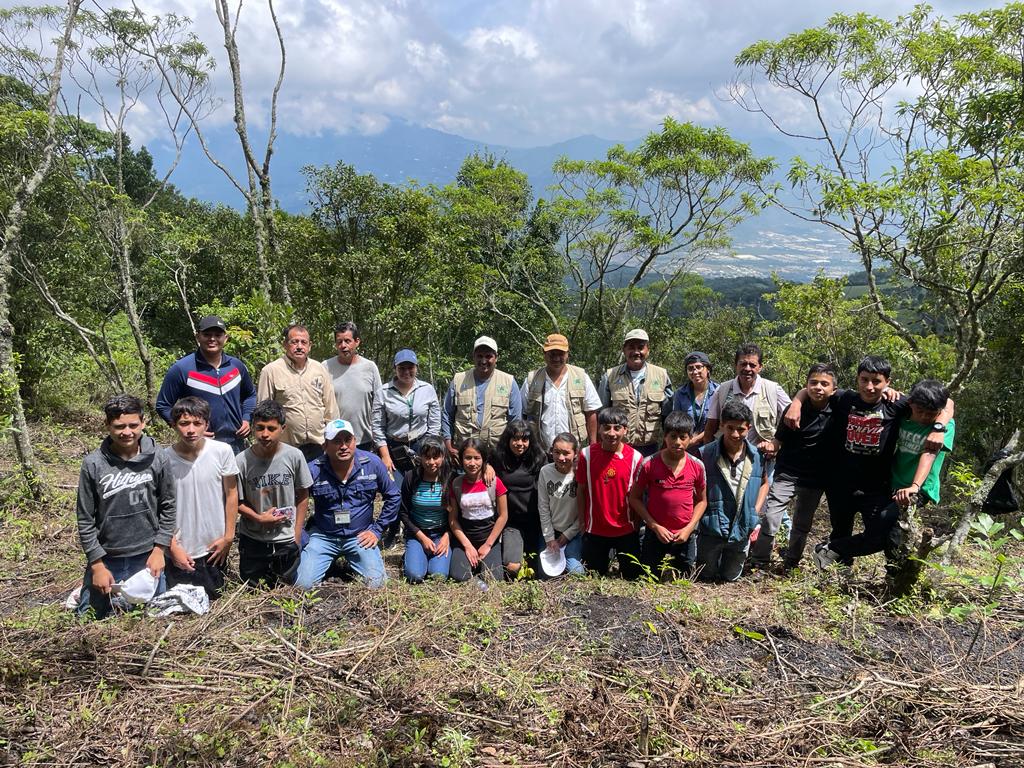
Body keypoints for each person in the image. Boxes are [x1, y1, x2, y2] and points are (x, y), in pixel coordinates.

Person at [813, 376, 955, 569]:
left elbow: (930, 453)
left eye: (931, 414)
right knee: (885, 533)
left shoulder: (943, 427)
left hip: (920, 487)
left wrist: (914, 486)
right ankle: (839, 555)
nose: (924, 418)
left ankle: (834, 550)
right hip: (891, 483)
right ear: (911, 404)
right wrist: (887, 391)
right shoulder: (903, 412)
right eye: (920, 412)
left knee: (887, 525)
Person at [76, 395, 176, 619]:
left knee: (152, 619)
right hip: (108, 556)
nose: (127, 432)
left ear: (143, 422)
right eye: (119, 426)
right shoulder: (93, 464)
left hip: (148, 556)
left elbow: (168, 507)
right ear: (107, 426)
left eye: (133, 425)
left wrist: (160, 549)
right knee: (89, 618)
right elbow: (85, 518)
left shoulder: (158, 458)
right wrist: (97, 565)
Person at [747, 363, 838, 571]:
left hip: (815, 479)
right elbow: (779, 440)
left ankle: (791, 562)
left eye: (824, 384)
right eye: (813, 382)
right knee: (770, 518)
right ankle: (760, 562)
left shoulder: (838, 408)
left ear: (833, 389)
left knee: (802, 524)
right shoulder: (794, 410)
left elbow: (865, 396)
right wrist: (771, 446)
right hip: (787, 472)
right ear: (806, 385)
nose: (818, 387)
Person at [297, 419, 401, 589]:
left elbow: (394, 496)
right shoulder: (313, 469)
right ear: (325, 445)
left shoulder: (372, 463)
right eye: (336, 441)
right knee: (303, 584)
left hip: (360, 536)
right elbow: (295, 503)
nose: (343, 446)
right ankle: (325, 561)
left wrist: (377, 530)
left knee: (378, 584)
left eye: (347, 440)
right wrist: (302, 537)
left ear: (355, 441)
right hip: (324, 535)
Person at [164, 397, 239, 599]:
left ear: (206, 424)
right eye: (184, 423)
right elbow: (158, 506)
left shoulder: (222, 451)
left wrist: (229, 536)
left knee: (215, 597)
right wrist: (171, 546)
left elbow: (232, 493)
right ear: (173, 425)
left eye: (197, 423)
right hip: (180, 548)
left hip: (214, 546)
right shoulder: (163, 460)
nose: (191, 430)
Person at [235, 400, 312, 587]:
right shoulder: (242, 461)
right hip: (253, 537)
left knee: (287, 586)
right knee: (253, 589)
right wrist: (258, 518)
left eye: (271, 428)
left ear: (282, 428)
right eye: (260, 428)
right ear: (252, 427)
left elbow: (303, 496)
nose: (265, 434)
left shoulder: (294, 456)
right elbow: (235, 501)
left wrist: (297, 532)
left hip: (285, 537)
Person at [156, 315, 257, 454]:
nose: (212, 339)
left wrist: (247, 418)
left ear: (226, 338)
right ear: (198, 337)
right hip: (200, 447)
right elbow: (163, 405)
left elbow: (250, 395)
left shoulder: (236, 366)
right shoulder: (182, 368)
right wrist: (189, 430)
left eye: (218, 335)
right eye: (207, 334)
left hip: (237, 445)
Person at [629, 411, 708, 580]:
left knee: (685, 579)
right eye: (673, 436)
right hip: (655, 533)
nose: (677, 442)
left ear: (690, 438)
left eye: (683, 437)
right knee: (648, 578)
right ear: (665, 437)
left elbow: (702, 501)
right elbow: (634, 498)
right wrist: (655, 526)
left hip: (685, 535)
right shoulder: (649, 463)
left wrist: (689, 528)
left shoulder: (697, 466)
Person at [697, 400, 769, 582]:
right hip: (711, 528)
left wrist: (755, 511)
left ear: (749, 428)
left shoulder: (757, 456)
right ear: (722, 425)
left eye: (741, 429)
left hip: (742, 527)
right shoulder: (705, 454)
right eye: (730, 428)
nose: (735, 434)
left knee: (730, 578)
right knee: (705, 575)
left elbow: (764, 483)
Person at [576, 406, 644, 579]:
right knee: (593, 577)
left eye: (617, 428)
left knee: (632, 577)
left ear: (625, 430)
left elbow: (638, 496)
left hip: (626, 530)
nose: (611, 433)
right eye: (606, 427)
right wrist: (583, 524)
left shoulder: (636, 458)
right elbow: (581, 490)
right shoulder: (586, 455)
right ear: (599, 429)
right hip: (595, 531)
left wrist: (636, 524)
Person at [257, 324, 339, 462]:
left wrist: (333, 439)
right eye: (294, 342)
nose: (299, 346)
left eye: (303, 342)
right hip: (286, 448)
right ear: (285, 345)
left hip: (318, 446)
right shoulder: (271, 371)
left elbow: (330, 409)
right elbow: (263, 413)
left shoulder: (319, 369)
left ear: (310, 345)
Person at [700, 343, 790, 462]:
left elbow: (791, 419)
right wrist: (709, 460)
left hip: (762, 461)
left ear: (760, 367)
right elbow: (710, 429)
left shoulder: (772, 389)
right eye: (743, 364)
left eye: (752, 365)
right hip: (726, 461)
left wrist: (775, 444)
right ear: (736, 365)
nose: (747, 368)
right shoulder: (722, 390)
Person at [442, 336, 522, 460]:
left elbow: (515, 421)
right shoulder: (458, 380)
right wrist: (448, 446)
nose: (483, 361)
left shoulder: (509, 382)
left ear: (496, 358)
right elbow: (447, 415)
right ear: (473, 357)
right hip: (464, 454)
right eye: (479, 356)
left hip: (497, 453)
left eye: (488, 356)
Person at [598, 328, 674, 457]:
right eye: (631, 347)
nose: (636, 352)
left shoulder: (661, 375)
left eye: (640, 347)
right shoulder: (610, 376)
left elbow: (668, 416)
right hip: (618, 446)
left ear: (647, 350)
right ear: (624, 350)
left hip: (650, 447)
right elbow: (601, 414)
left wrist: (666, 444)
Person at [522, 333, 600, 453]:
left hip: (574, 451)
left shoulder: (581, 377)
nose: (556, 358)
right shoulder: (532, 379)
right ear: (544, 353)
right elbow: (523, 414)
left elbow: (591, 412)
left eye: (561, 354)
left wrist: (593, 446)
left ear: (567, 354)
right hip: (541, 451)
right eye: (552, 354)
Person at [448, 438, 508, 583]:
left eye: (477, 458)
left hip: (489, 539)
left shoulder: (494, 482)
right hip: (466, 539)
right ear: (461, 460)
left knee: (494, 578)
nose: (472, 463)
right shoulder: (456, 484)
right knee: (459, 576)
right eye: (468, 458)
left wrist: (488, 545)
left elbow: (503, 515)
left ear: (484, 459)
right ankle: (473, 568)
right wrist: (467, 546)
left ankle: (482, 565)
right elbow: (453, 519)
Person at [375, 349, 441, 480]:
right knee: (396, 491)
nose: (406, 372)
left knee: (420, 486)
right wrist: (385, 456)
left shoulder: (427, 389)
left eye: (410, 367)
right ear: (395, 368)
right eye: (401, 368)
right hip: (393, 447)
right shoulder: (383, 392)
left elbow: (434, 423)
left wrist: (428, 450)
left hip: (421, 444)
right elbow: (377, 427)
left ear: (417, 367)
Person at [492, 419, 546, 578]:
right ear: (508, 439)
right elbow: (482, 466)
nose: (519, 443)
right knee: (513, 568)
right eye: (515, 439)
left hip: (535, 522)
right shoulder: (498, 459)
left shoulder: (539, 458)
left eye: (524, 439)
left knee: (538, 572)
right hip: (511, 522)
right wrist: (487, 468)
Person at [323, 321, 385, 453]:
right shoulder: (325, 367)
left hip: (365, 440)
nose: (343, 346)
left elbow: (379, 405)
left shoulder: (370, 367)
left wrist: (379, 439)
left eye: (347, 341)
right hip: (336, 440)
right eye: (339, 342)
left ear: (357, 342)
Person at [399, 437, 453, 583]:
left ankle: (425, 558)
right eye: (427, 457)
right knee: (414, 576)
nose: (431, 462)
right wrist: (422, 538)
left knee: (438, 576)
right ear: (420, 457)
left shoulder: (450, 478)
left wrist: (447, 536)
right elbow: (403, 513)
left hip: (441, 534)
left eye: (436, 457)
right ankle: (412, 554)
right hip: (418, 533)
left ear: (443, 456)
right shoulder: (411, 477)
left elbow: (456, 514)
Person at [537, 433, 585, 576]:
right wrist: (550, 538)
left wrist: (567, 535)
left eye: (566, 453)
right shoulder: (545, 472)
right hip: (550, 531)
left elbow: (585, 511)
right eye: (556, 452)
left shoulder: (580, 474)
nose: (561, 458)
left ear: (575, 453)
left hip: (574, 532)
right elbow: (543, 507)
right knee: (545, 575)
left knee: (576, 573)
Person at [670, 351, 719, 451]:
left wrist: (695, 440)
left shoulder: (718, 391)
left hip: (712, 448)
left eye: (698, 367)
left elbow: (720, 424)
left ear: (708, 369)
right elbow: (677, 422)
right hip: (687, 449)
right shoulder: (680, 393)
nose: (695, 371)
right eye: (690, 368)